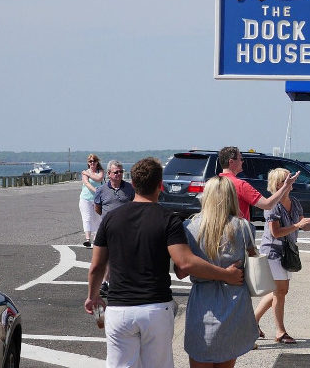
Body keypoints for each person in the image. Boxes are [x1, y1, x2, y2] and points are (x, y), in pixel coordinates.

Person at [84, 157, 244, 368]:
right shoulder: (168, 219)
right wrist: (226, 275)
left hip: (119, 309)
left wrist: (93, 297)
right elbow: (185, 263)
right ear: (160, 185)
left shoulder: (111, 219)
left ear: (133, 185)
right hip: (155, 308)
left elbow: (96, 266)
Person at [176, 176, 258, 367]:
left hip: (203, 304)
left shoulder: (189, 227)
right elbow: (253, 259)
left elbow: (181, 272)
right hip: (235, 302)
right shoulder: (244, 227)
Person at [254, 168, 310, 344]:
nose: (293, 181)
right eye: (289, 178)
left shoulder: (295, 202)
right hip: (272, 252)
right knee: (280, 291)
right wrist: (297, 225)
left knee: (280, 290)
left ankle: (252, 322)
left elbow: (303, 225)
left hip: (287, 253)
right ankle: (280, 332)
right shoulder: (272, 205)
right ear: (279, 184)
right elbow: (276, 233)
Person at [217, 146, 299, 224]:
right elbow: (267, 205)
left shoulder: (212, 184)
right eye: (241, 159)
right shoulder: (240, 185)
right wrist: (286, 185)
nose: (243, 162)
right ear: (231, 161)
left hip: (216, 232)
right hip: (236, 233)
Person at [93, 160, 135, 297]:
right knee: (108, 258)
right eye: (116, 172)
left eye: (121, 172)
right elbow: (98, 208)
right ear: (109, 174)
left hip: (126, 230)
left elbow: (136, 206)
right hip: (108, 230)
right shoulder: (101, 190)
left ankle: (120, 283)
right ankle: (106, 283)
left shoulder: (130, 189)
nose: (119, 174)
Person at [79, 154, 105, 248]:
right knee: (87, 218)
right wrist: (96, 191)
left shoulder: (100, 171)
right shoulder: (84, 173)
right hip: (85, 198)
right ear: (88, 162)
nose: (92, 163)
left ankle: (96, 239)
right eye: (90, 161)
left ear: (97, 162)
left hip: (97, 199)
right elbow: (86, 183)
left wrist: (89, 174)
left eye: (94, 161)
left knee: (98, 219)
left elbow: (99, 178)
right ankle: (87, 239)